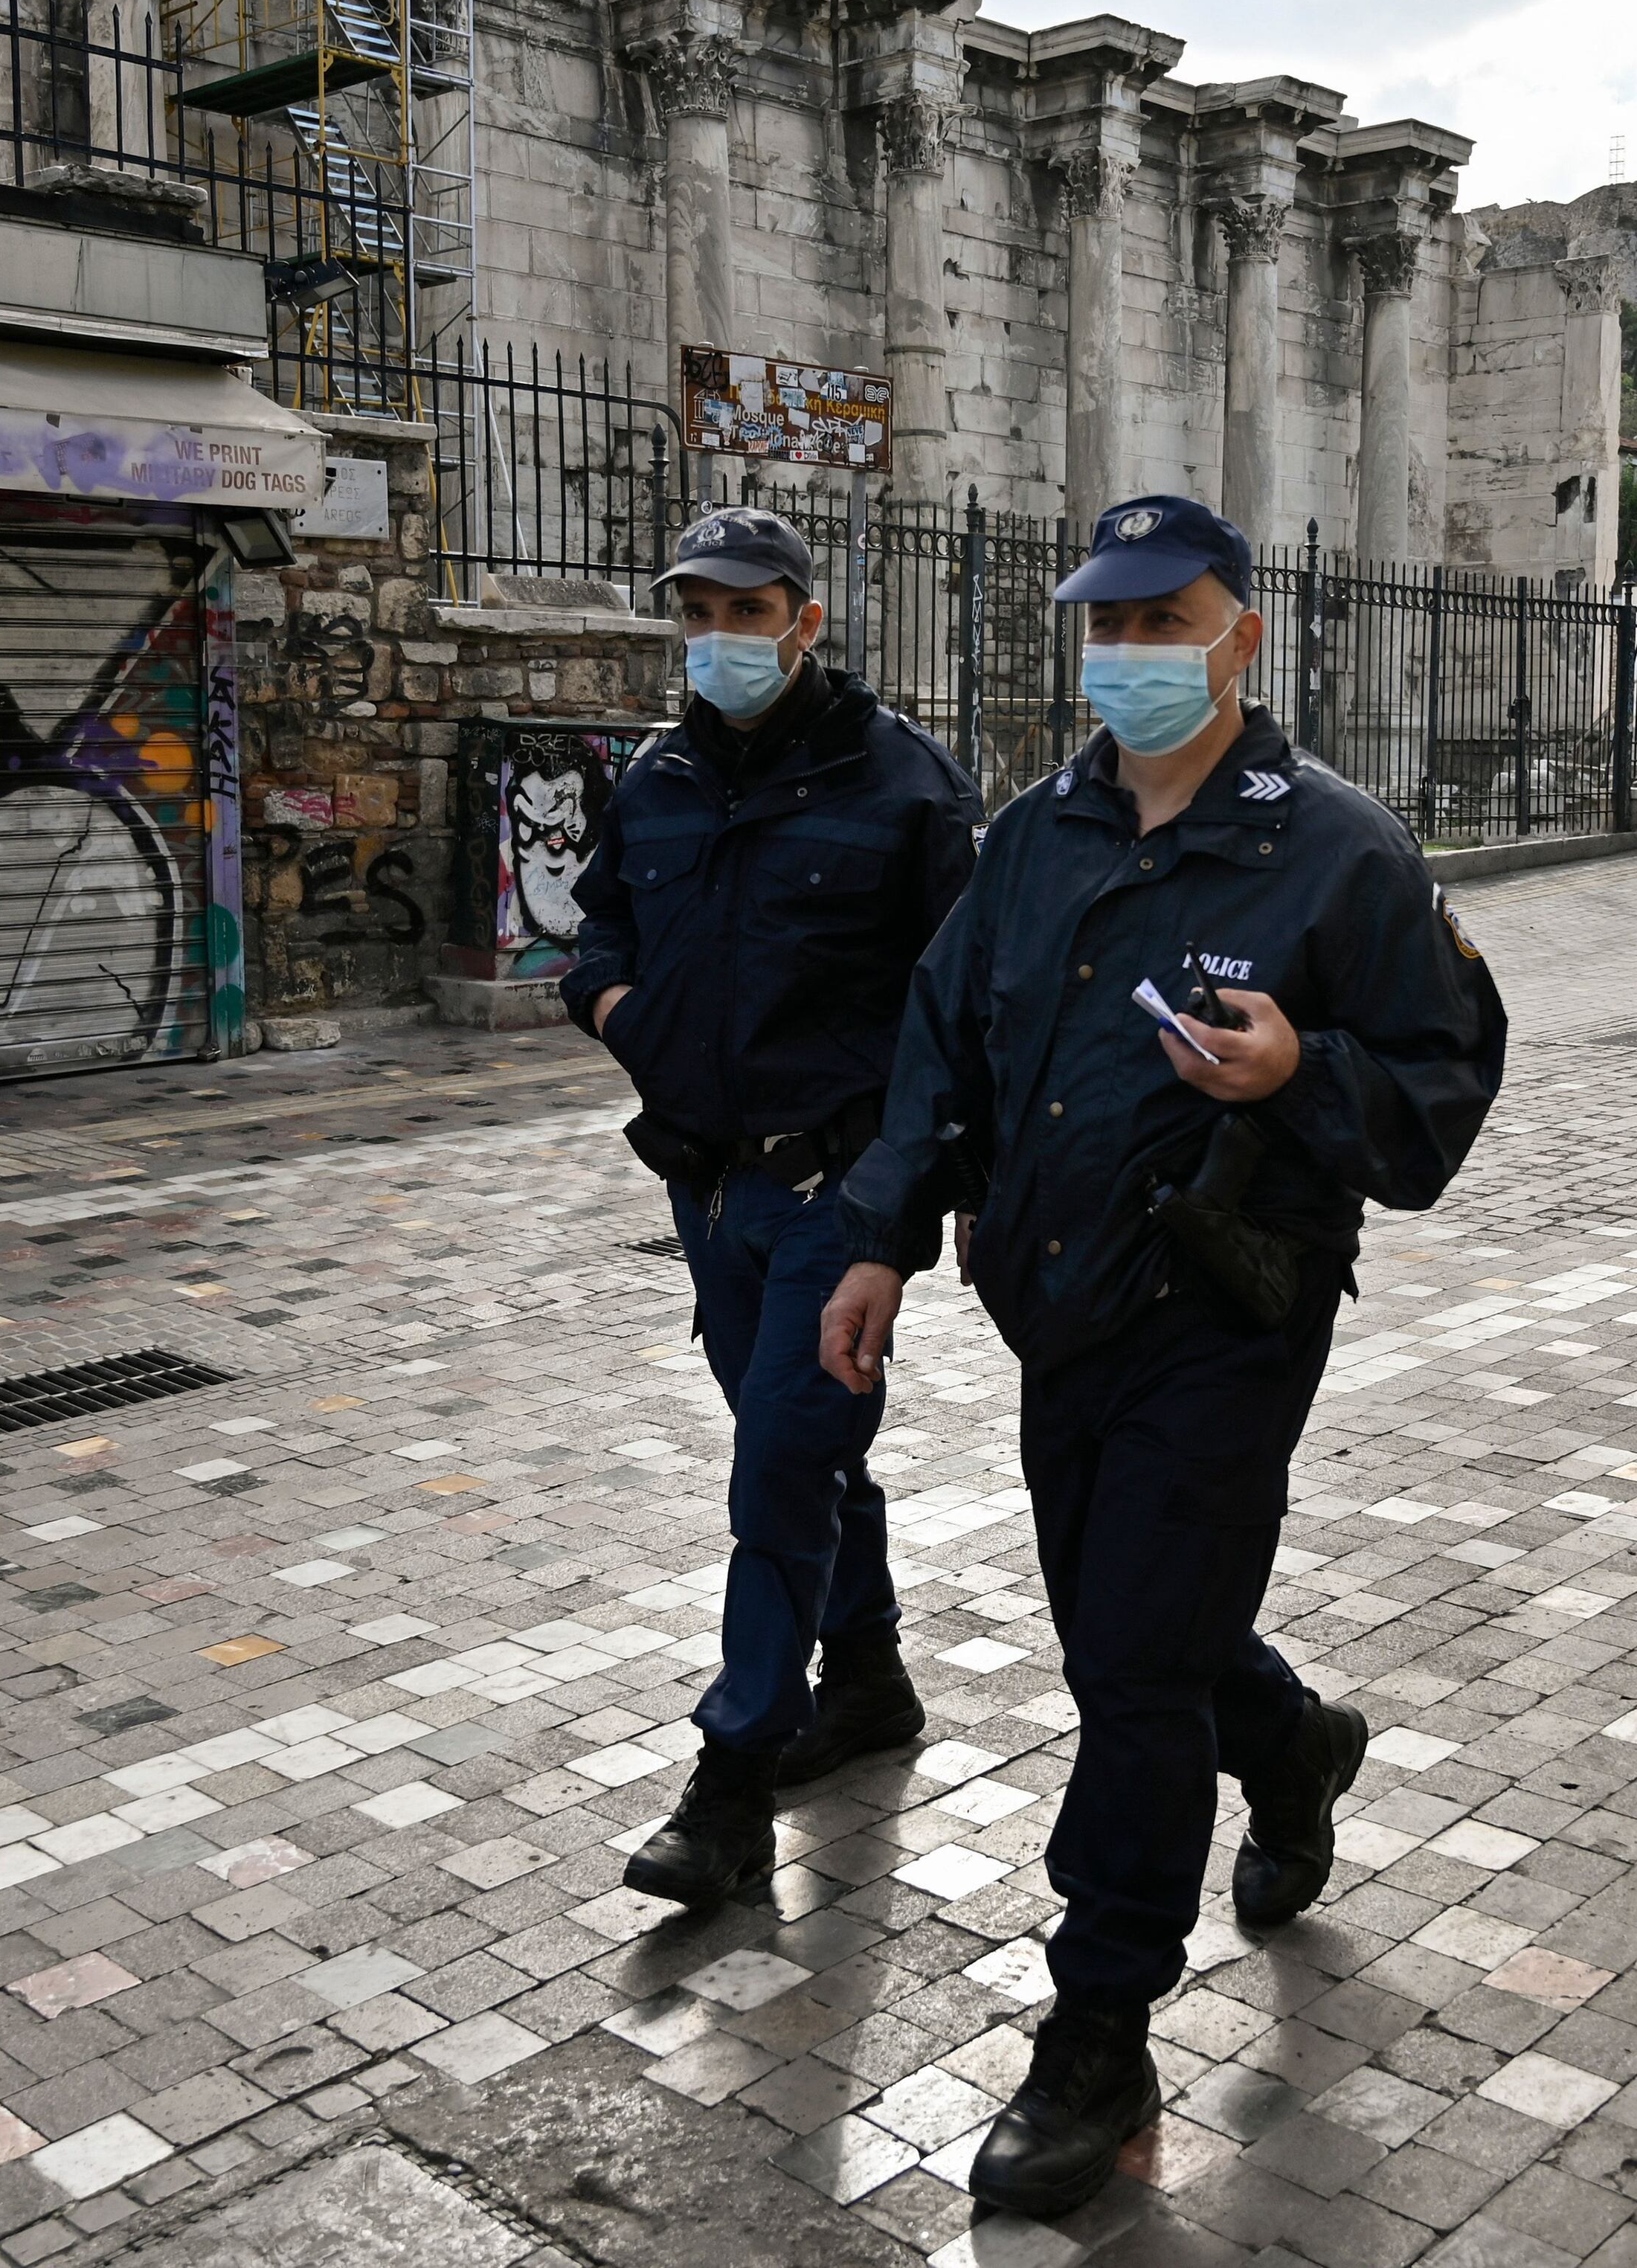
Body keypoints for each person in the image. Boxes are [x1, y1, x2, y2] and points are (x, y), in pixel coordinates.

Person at [817, 495, 1506, 2222]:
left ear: (1239, 641)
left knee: (1127, 1672)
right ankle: (1285, 1745)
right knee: (1150, 1643)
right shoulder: (1034, 838)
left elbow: (1436, 1100)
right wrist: (881, 1235)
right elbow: (942, 1059)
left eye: (1161, 623)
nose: (1124, 657)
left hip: (1223, 1320)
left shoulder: (1336, 851)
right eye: (1103, 627)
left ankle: (1099, 2031)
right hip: (1055, 1316)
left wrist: (1300, 1081)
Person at [562, 504, 982, 1908]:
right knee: (790, 1445)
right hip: (707, 1181)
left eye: (748, 610)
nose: (720, 636)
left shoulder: (901, 783)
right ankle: (865, 1675)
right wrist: (617, 1006)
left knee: (781, 1469)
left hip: (837, 1192)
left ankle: (732, 1779)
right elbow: (602, 922)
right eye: (699, 609)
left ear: (806, 618)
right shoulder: (662, 775)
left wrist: (932, 1192)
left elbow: (960, 1006)